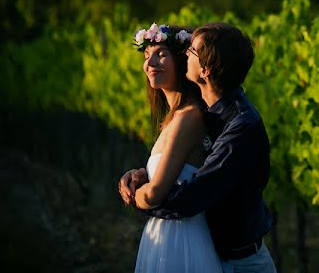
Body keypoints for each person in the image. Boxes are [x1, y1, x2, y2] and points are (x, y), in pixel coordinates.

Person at [119, 22, 277, 273]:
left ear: (205, 70)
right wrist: (145, 175)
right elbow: (187, 165)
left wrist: (143, 196)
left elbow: (192, 196)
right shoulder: (206, 110)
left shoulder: (239, 125)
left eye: (190, 51)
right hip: (212, 252)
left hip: (241, 263)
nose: (184, 54)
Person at [118, 22, 223, 273]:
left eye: (161, 54)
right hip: (166, 234)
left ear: (181, 59)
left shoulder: (189, 117)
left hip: (181, 240)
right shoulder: (174, 117)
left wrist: (134, 196)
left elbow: (155, 194)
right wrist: (138, 175)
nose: (150, 63)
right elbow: (172, 173)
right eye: (146, 56)